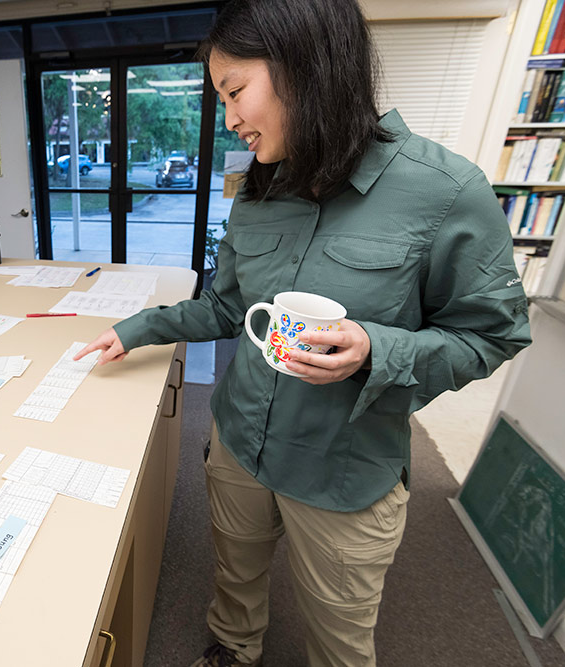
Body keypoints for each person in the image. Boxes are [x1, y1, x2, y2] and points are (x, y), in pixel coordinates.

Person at [73, 0, 532, 665]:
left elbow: (492, 335)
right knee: (234, 579)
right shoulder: (257, 190)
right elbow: (228, 310)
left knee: (340, 638)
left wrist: (379, 347)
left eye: (234, 91)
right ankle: (232, 647)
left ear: (306, 65)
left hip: (345, 470)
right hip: (239, 444)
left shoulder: (447, 190)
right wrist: (139, 328)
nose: (228, 118)